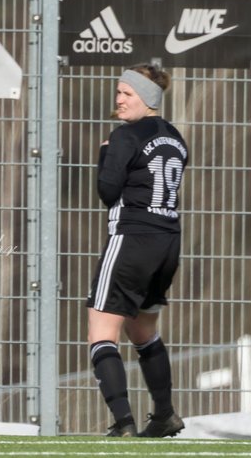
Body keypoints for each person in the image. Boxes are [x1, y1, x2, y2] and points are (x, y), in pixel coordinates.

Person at [87, 64, 188, 438]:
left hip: (132, 238)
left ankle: (123, 422)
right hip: (167, 243)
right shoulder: (176, 138)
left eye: (127, 93)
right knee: (144, 331)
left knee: (101, 330)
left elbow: (108, 193)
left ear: (147, 97)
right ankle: (164, 415)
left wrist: (105, 156)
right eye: (118, 92)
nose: (119, 99)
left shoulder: (125, 136)